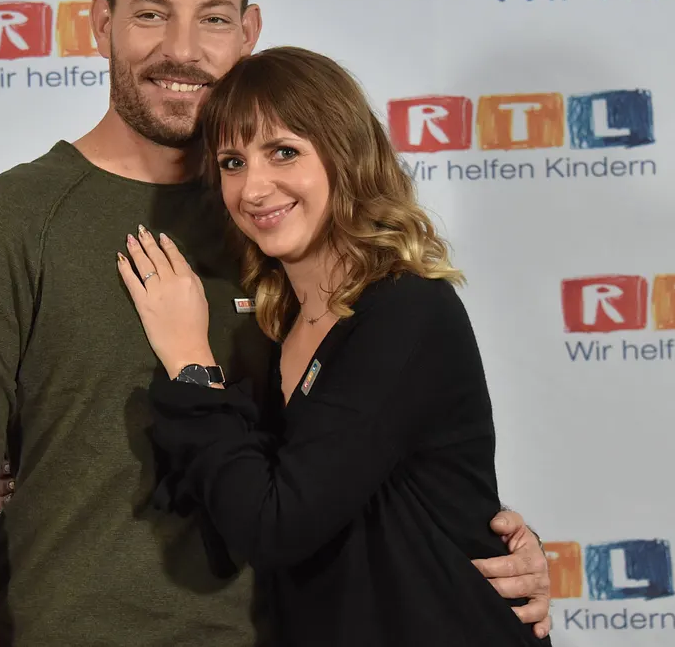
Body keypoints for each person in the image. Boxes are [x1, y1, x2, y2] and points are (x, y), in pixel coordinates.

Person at [0, 0, 552, 647]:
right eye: (150, 13)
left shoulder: (280, 223)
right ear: (102, 23)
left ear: (248, 31)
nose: (182, 48)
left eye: (211, 18)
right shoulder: (14, 222)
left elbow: (364, 450)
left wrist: (485, 546)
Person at [115, 46, 551, 646]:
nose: (254, 188)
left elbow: (274, 524)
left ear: (344, 155)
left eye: (284, 152)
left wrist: (189, 359)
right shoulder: (277, 324)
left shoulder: (407, 310)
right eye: (233, 162)